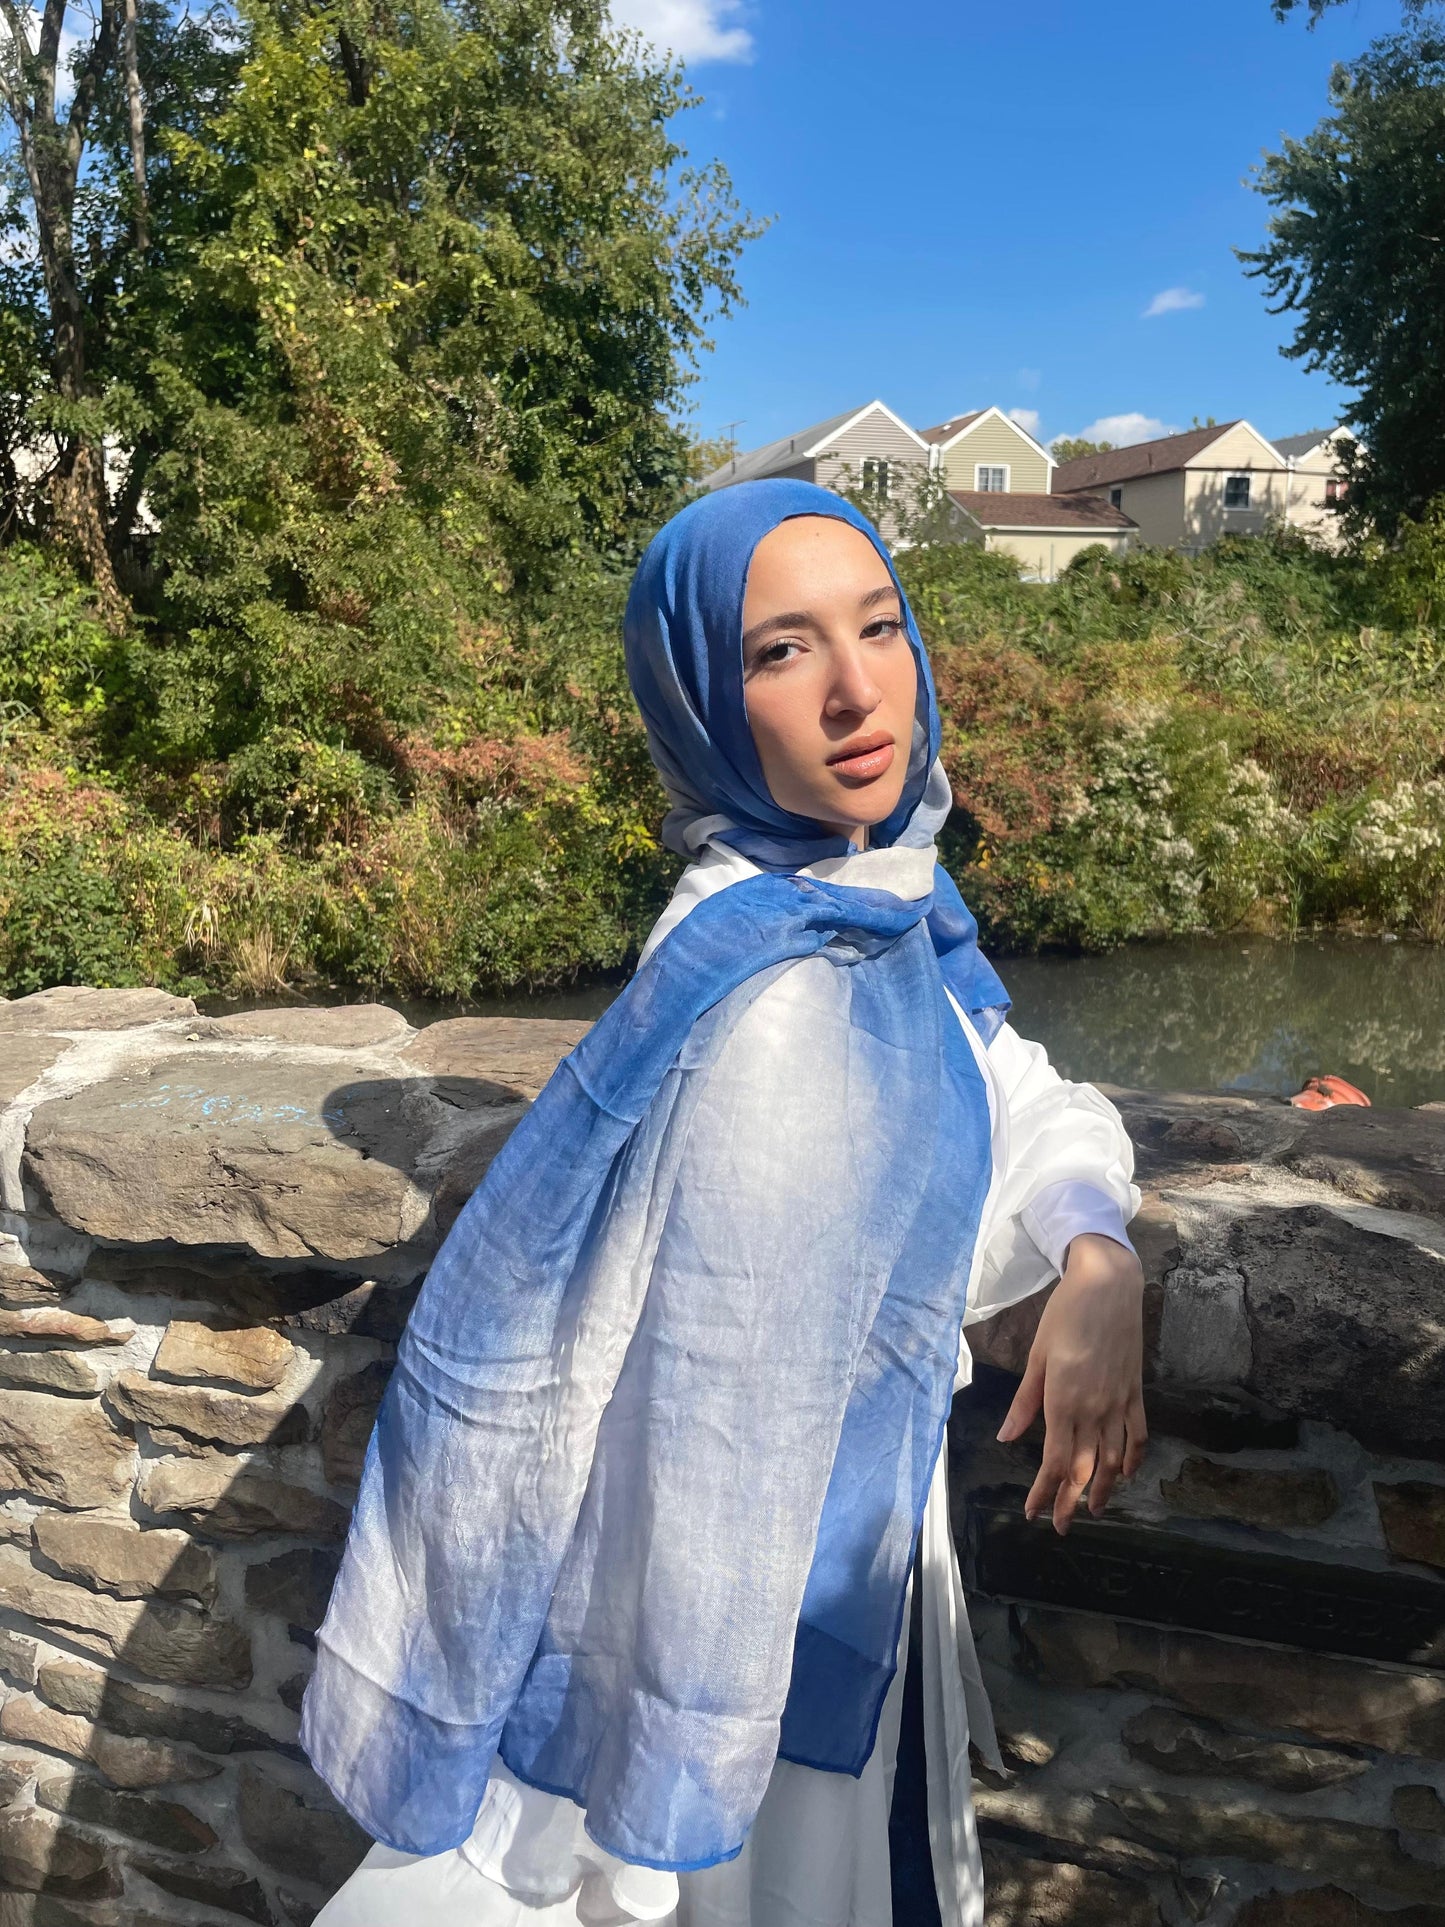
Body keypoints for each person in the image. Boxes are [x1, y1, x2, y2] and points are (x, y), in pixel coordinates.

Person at [303, 480, 1145, 1927]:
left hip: (839, 1558)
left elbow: (1012, 1089)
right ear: (698, 697)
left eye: (878, 627)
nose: (855, 690)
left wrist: (1095, 1252)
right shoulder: (763, 991)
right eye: (779, 651)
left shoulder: (877, 901)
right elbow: (745, 1385)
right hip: (741, 1630)